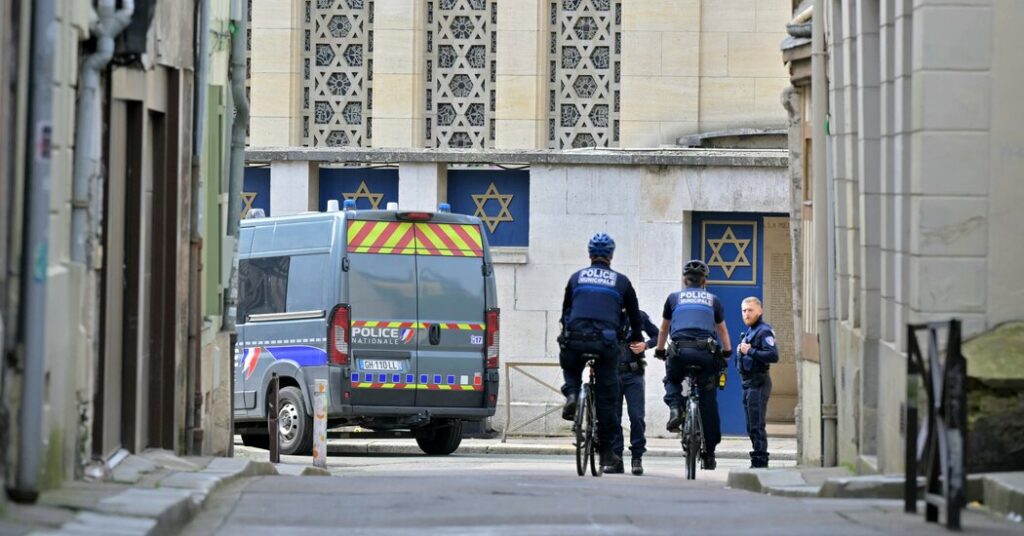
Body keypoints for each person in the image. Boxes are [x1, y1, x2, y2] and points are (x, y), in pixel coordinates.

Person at [559, 233, 646, 472]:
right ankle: (607, 452)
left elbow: (565, 312)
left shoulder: (576, 278)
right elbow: (635, 317)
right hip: (606, 344)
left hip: (576, 340)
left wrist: (566, 335)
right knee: (608, 398)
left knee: (569, 365)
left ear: (590, 254)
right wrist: (637, 338)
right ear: (611, 255)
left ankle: (572, 394)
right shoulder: (621, 281)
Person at [653, 259, 731, 470]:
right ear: (704, 280)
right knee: (708, 399)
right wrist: (727, 352)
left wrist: (660, 351)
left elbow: (663, 329)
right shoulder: (713, 300)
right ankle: (709, 454)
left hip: (680, 352)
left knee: (672, 379)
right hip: (705, 354)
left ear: (684, 280)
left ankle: (676, 409)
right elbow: (722, 331)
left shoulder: (673, 298)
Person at [607, 310, 659, 476]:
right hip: (612, 373)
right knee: (614, 418)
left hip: (633, 374)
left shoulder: (639, 316)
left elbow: (658, 335)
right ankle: (616, 459)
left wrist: (646, 345)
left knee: (636, 416)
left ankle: (637, 457)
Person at [736, 296, 778, 468]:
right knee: (750, 425)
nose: (747, 313)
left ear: (759, 311)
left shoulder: (764, 331)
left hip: (758, 383)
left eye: (750, 310)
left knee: (757, 425)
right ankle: (757, 459)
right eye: (744, 310)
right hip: (748, 383)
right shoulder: (749, 331)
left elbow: (773, 355)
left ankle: (760, 461)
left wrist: (750, 350)